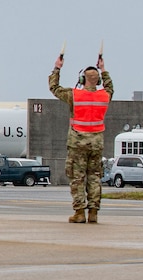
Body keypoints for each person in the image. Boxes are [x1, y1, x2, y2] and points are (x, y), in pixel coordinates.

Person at [48, 50, 112, 223]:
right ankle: (93, 212)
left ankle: (79, 212)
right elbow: (109, 87)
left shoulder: (74, 95)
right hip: (96, 142)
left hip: (78, 142)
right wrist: (103, 69)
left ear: (82, 80)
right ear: (98, 80)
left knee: (77, 177)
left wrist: (57, 67)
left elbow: (54, 88)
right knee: (94, 177)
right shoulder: (104, 96)